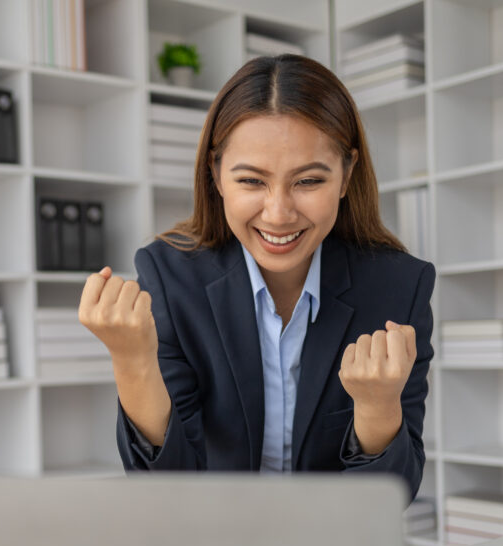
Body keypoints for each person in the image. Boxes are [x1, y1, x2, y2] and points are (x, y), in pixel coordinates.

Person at [78, 54, 435, 500]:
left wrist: (378, 408)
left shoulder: (399, 288)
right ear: (216, 175)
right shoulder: (170, 278)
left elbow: (392, 497)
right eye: (251, 181)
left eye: (307, 181)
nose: (279, 213)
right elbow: (168, 487)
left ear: (346, 175)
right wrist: (131, 360)